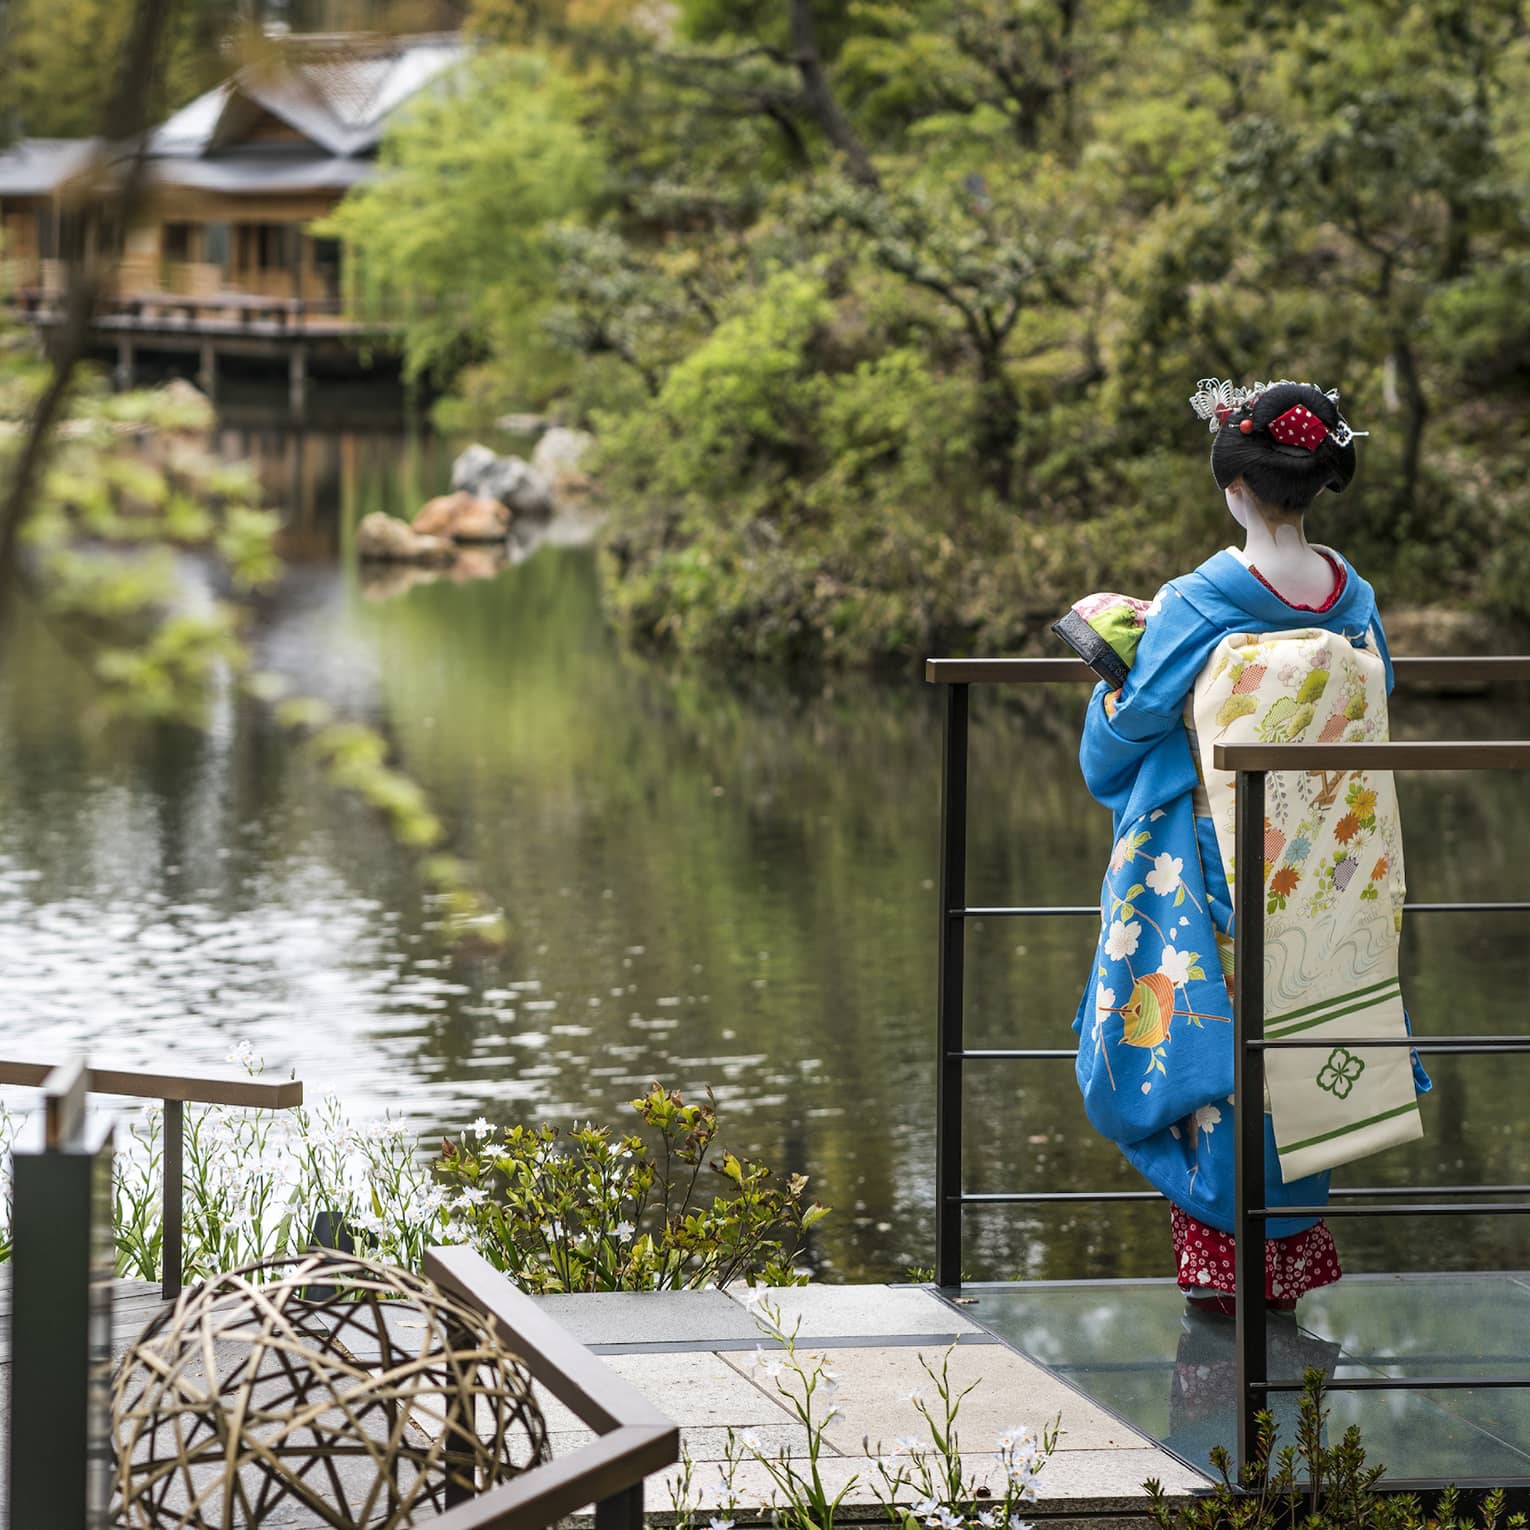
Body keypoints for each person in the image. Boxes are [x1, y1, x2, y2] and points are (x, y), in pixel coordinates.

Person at [1070, 378, 1430, 1315]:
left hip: (1219, 872)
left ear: (1234, 489)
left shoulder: (1202, 598)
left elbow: (1126, 736)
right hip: (1322, 872)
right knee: (1298, 1052)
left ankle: (1219, 1287)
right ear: (1313, 487)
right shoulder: (1353, 598)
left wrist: (1113, 677)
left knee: (1218, 1070)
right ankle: (1283, 1283)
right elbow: (1374, 700)